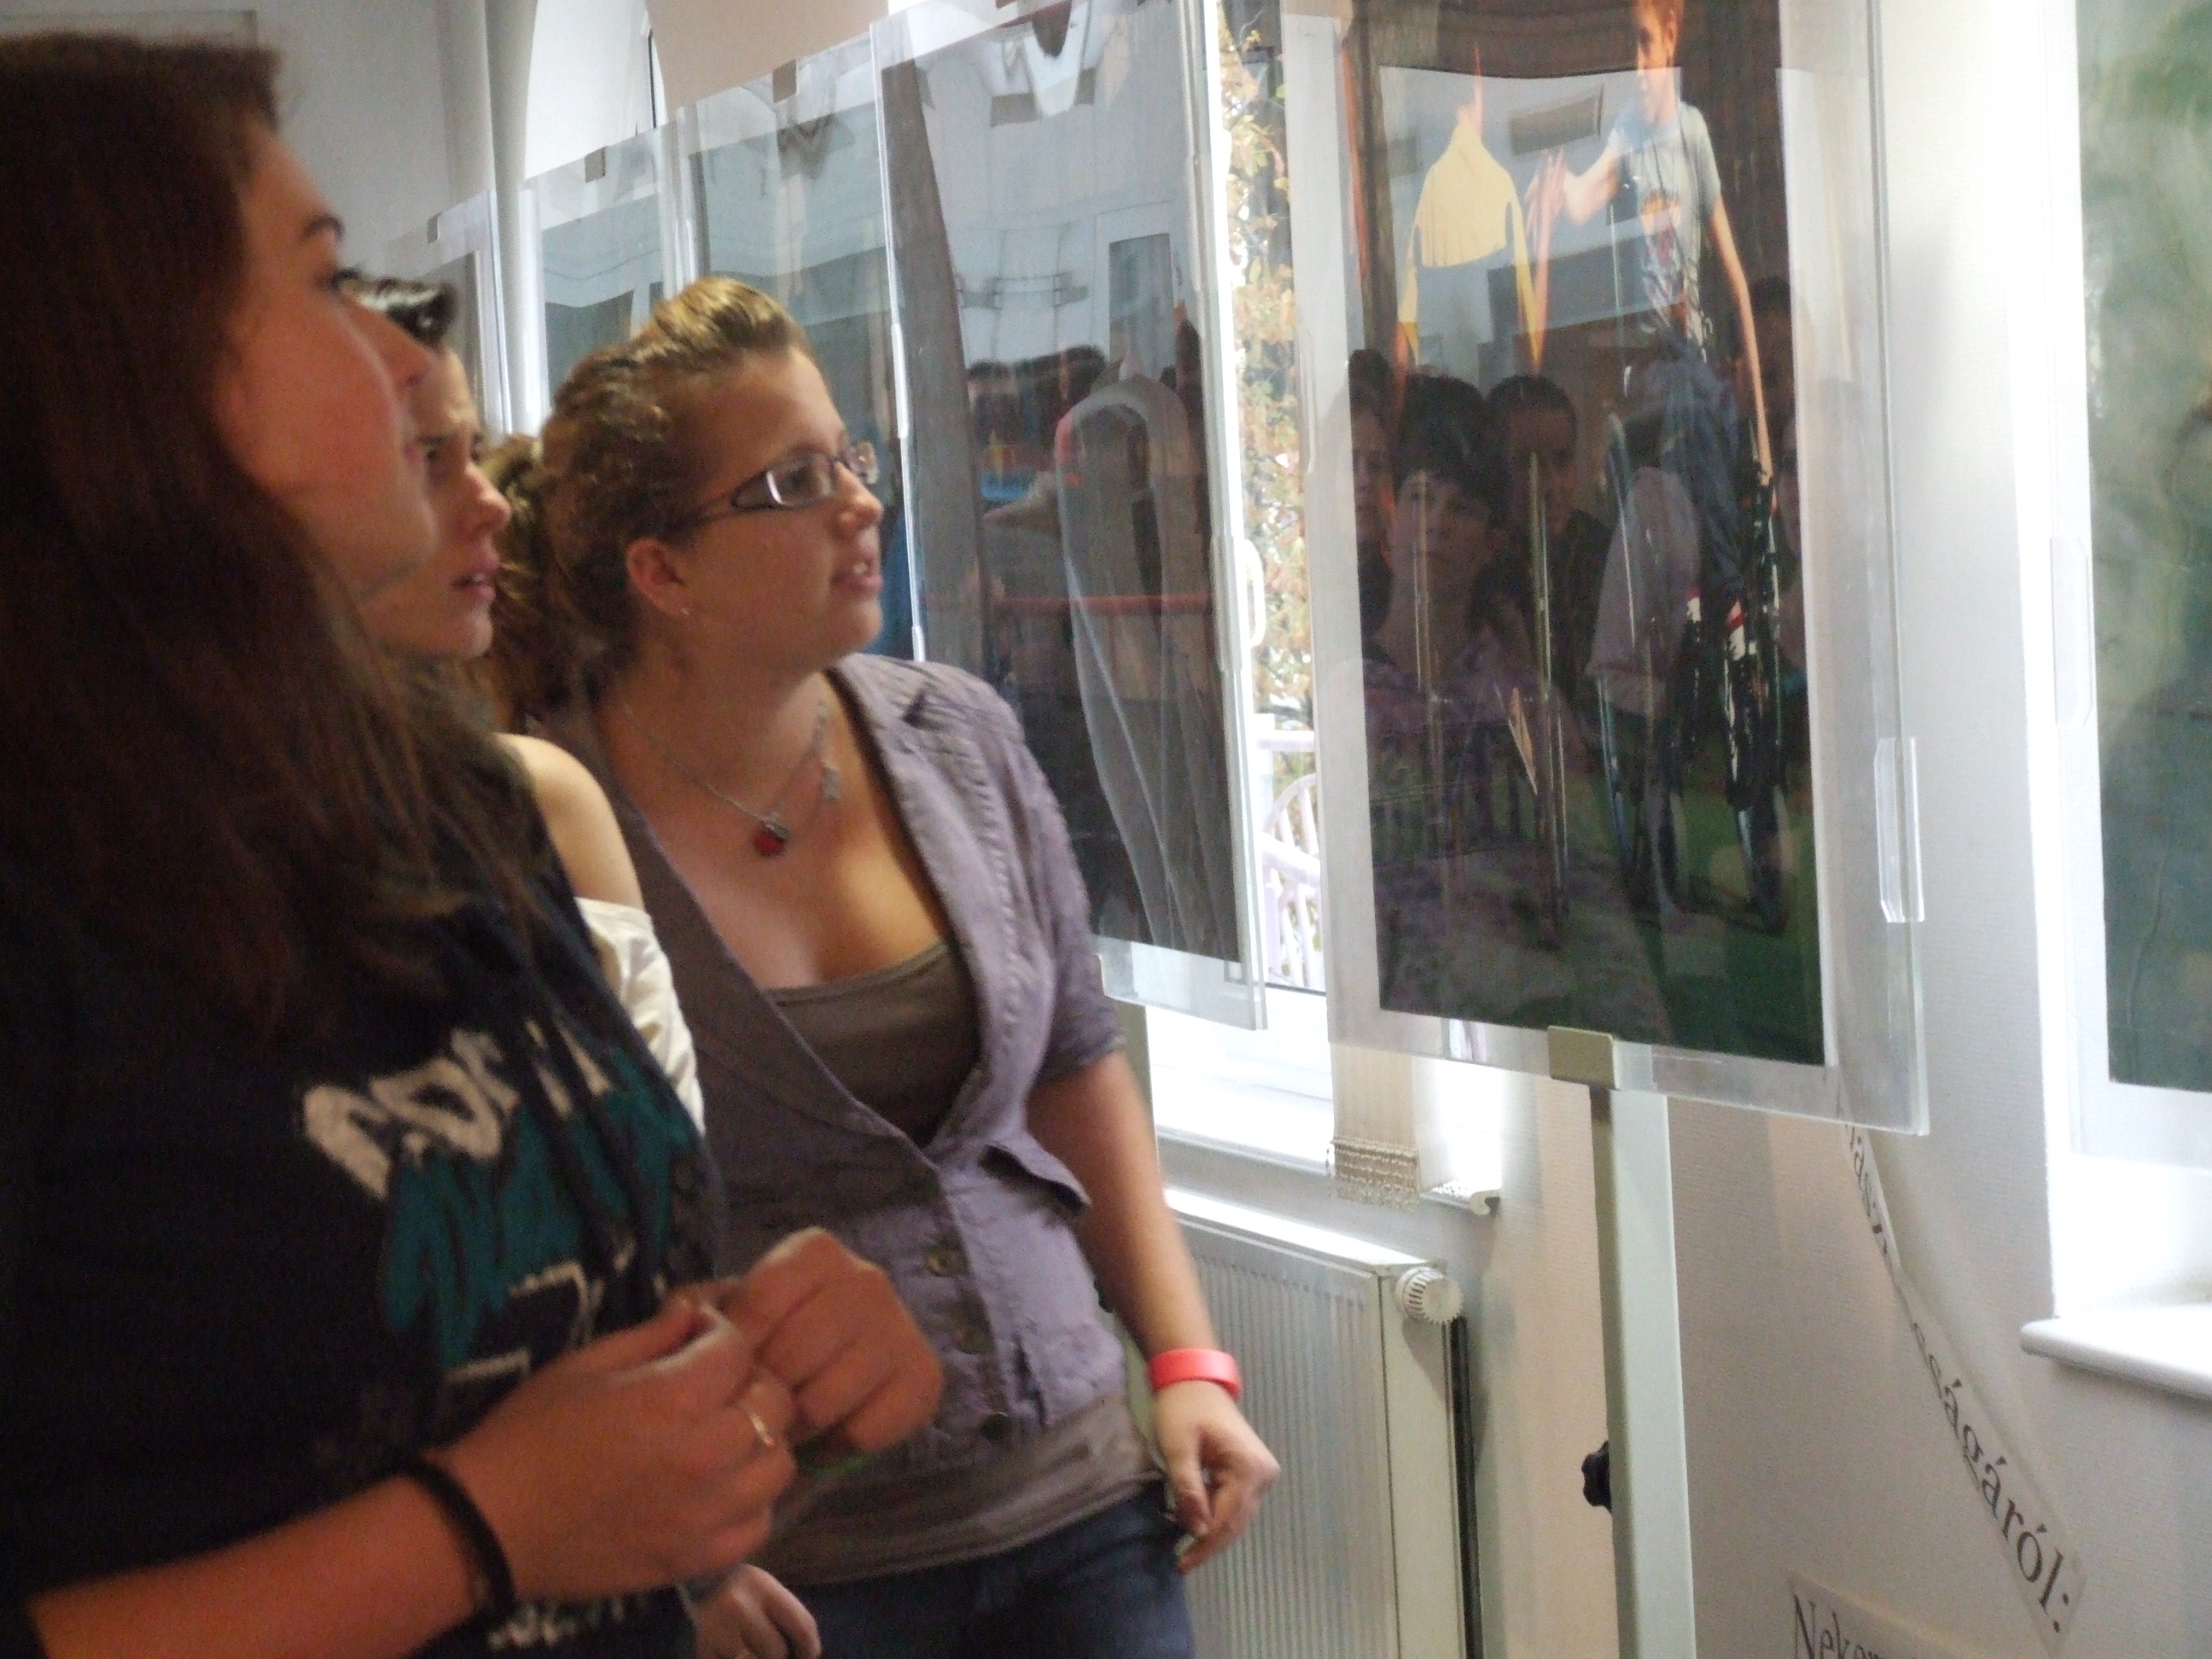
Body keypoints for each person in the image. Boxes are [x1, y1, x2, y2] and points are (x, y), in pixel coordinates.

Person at [0, 37, 939, 1659]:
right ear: (128, 385)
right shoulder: (46, 902)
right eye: (324, 281)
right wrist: (477, 1532)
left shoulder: (457, 803)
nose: (394, 348)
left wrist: (767, 1371)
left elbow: (537, 1369)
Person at [504, 276, 1278, 1658]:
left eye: (849, 458)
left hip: (1076, 1498)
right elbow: (537, 1237)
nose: (860, 503)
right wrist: (667, 1558)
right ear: (661, 571)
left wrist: (1187, 1360)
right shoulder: (550, 823)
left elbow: (1076, 1068)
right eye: (794, 481)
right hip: (789, 1560)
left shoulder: (955, 735)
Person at [346, 275, 703, 1133]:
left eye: (472, 453)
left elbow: (672, 1165)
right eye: (427, 460)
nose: (491, 505)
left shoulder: (536, 803)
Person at [1527, 0, 1771, 582]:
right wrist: (1557, 187)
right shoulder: (1628, 132)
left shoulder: (1690, 131)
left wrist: (1761, 431)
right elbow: (1584, 199)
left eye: (1645, 44)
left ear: (1670, 39)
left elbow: (1736, 280)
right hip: (1650, 367)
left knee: (1711, 511)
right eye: (1630, 47)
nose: (1637, 66)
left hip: (1693, 362)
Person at [1396, 44, 1551, 384]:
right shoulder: (1500, 185)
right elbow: (1532, 346)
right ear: (1478, 78)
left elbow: (1404, 336)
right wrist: (1546, 230)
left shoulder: (1427, 191)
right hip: (1494, 403)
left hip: (1441, 402)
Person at [1488, 374, 1612, 716]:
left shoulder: (1599, 551)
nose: (1551, 484)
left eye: (1562, 460)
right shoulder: (1483, 566)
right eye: (1528, 464)